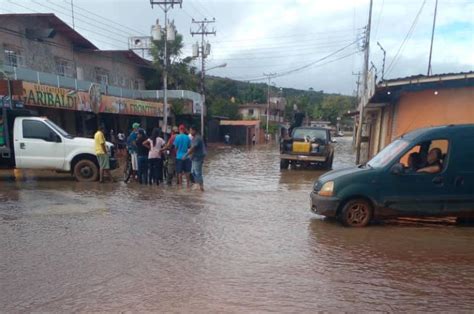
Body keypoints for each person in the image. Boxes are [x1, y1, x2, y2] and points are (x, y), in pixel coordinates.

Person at [184, 126, 206, 191]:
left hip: (198, 158)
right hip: (195, 157)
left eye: (191, 131)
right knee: (193, 172)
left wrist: (186, 155)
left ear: (194, 131)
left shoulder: (197, 138)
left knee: (197, 172)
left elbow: (193, 148)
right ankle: (198, 186)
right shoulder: (195, 138)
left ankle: (201, 187)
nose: (190, 132)